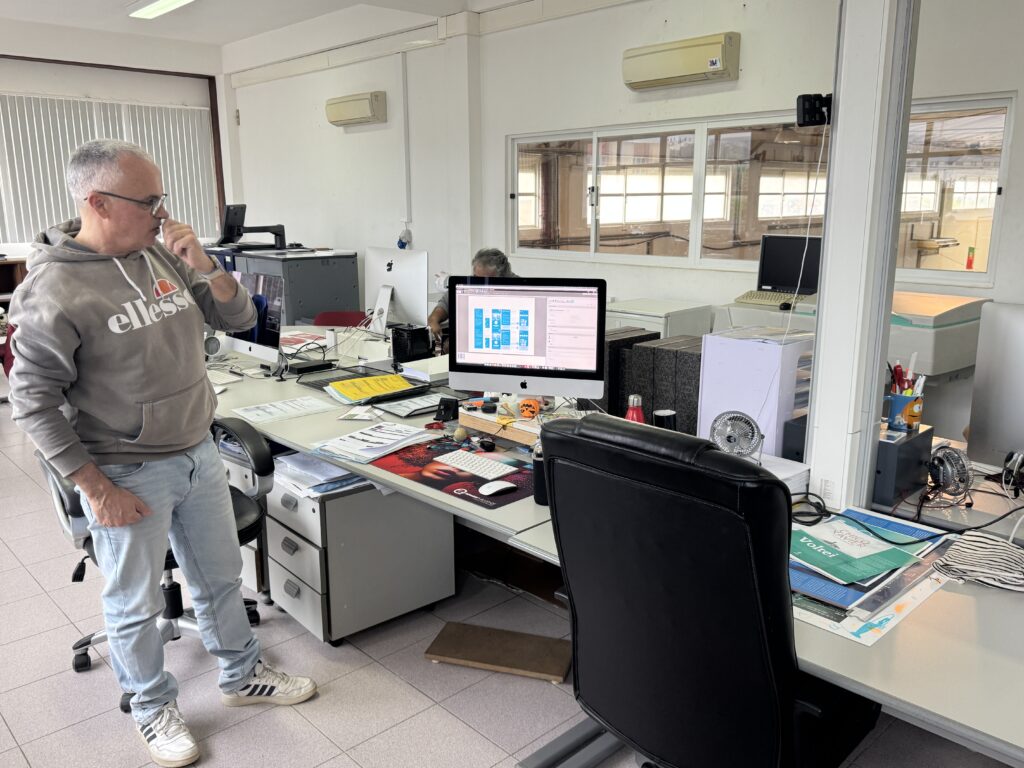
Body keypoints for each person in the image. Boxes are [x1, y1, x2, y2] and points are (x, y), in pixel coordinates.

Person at [7, 139, 315, 768]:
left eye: (161, 198)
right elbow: (33, 404)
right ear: (97, 202)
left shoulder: (159, 254)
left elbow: (236, 318)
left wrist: (207, 265)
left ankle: (242, 675)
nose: (162, 212)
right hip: (125, 470)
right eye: (148, 201)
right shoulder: (52, 289)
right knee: (135, 604)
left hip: (197, 450)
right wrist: (96, 488)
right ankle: (151, 708)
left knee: (220, 579)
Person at [427, 247, 516, 343]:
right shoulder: (468, 283)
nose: (477, 284)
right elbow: (444, 305)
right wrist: (433, 320)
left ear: (501, 278)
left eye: (484, 281)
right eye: (475, 277)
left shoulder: (521, 288)